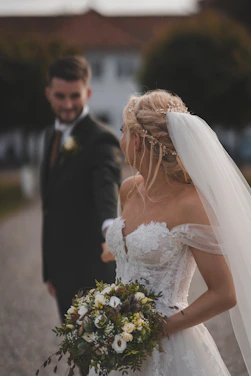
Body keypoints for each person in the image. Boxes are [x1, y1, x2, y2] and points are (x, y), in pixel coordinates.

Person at [97, 89, 251, 375]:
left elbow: (224, 294)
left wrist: (157, 329)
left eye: (123, 131)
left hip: (170, 345)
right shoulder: (128, 190)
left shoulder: (192, 205)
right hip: (116, 341)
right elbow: (129, 252)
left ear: (138, 140)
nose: (120, 140)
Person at [40, 56, 122, 322]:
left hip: (92, 271)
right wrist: (49, 271)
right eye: (60, 96)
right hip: (61, 272)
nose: (67, 104)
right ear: (49, 94)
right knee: (77, 354)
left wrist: (109, 226)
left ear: (87, 93)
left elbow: (105, 185)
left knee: (99, 358)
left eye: (75, 96)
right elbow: (50, 206)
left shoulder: (101, 139)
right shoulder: (50, 136)